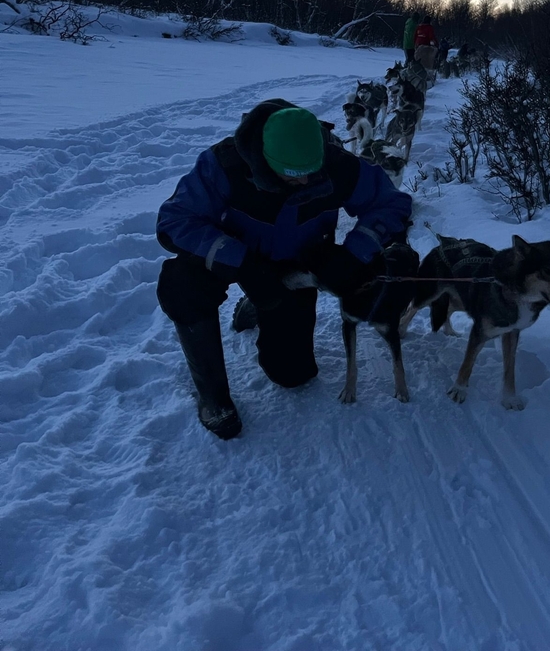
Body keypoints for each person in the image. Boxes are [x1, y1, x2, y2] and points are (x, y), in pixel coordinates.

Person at [155, 99, 412, 440]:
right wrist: (242, 263)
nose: (306, 180)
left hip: (297, 267)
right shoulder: (224, 165)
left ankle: (260, 306)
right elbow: (174, 220)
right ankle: (212, 397)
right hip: (238, 259)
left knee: (293, 374)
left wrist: (354, 254)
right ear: (264, 161)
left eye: (312, 170)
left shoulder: (337, 165)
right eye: (294, 174)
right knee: (180, 284)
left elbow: (391, 203)